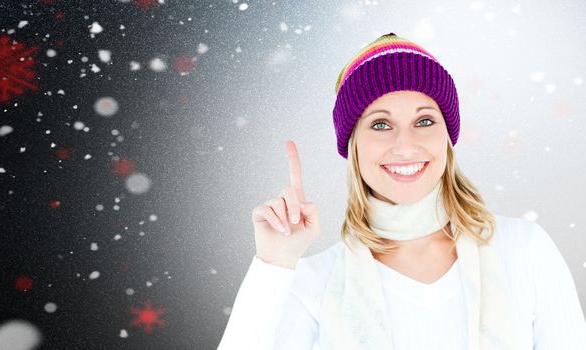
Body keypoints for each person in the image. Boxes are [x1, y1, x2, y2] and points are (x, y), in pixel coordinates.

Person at [217, 33, 586, 350]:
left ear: (447, 136)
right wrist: (273, 265)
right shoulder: (314, 282)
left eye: (424, 120)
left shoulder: (525, 250)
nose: (405, 145)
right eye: (380, 124)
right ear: (353, 145)